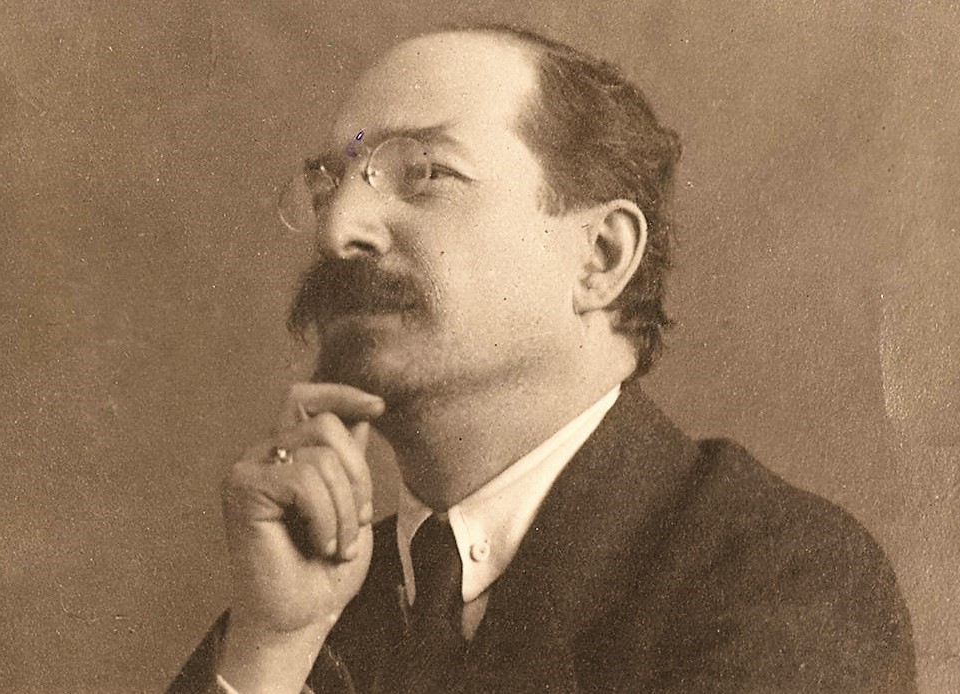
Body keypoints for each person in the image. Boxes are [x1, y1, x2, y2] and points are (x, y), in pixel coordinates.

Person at [169, 24, 916, 694]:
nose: (339, 230)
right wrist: (272, 652)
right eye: (329, 184)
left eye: (425, 174)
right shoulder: (301, 608)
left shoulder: (780, 575)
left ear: (601, 257)